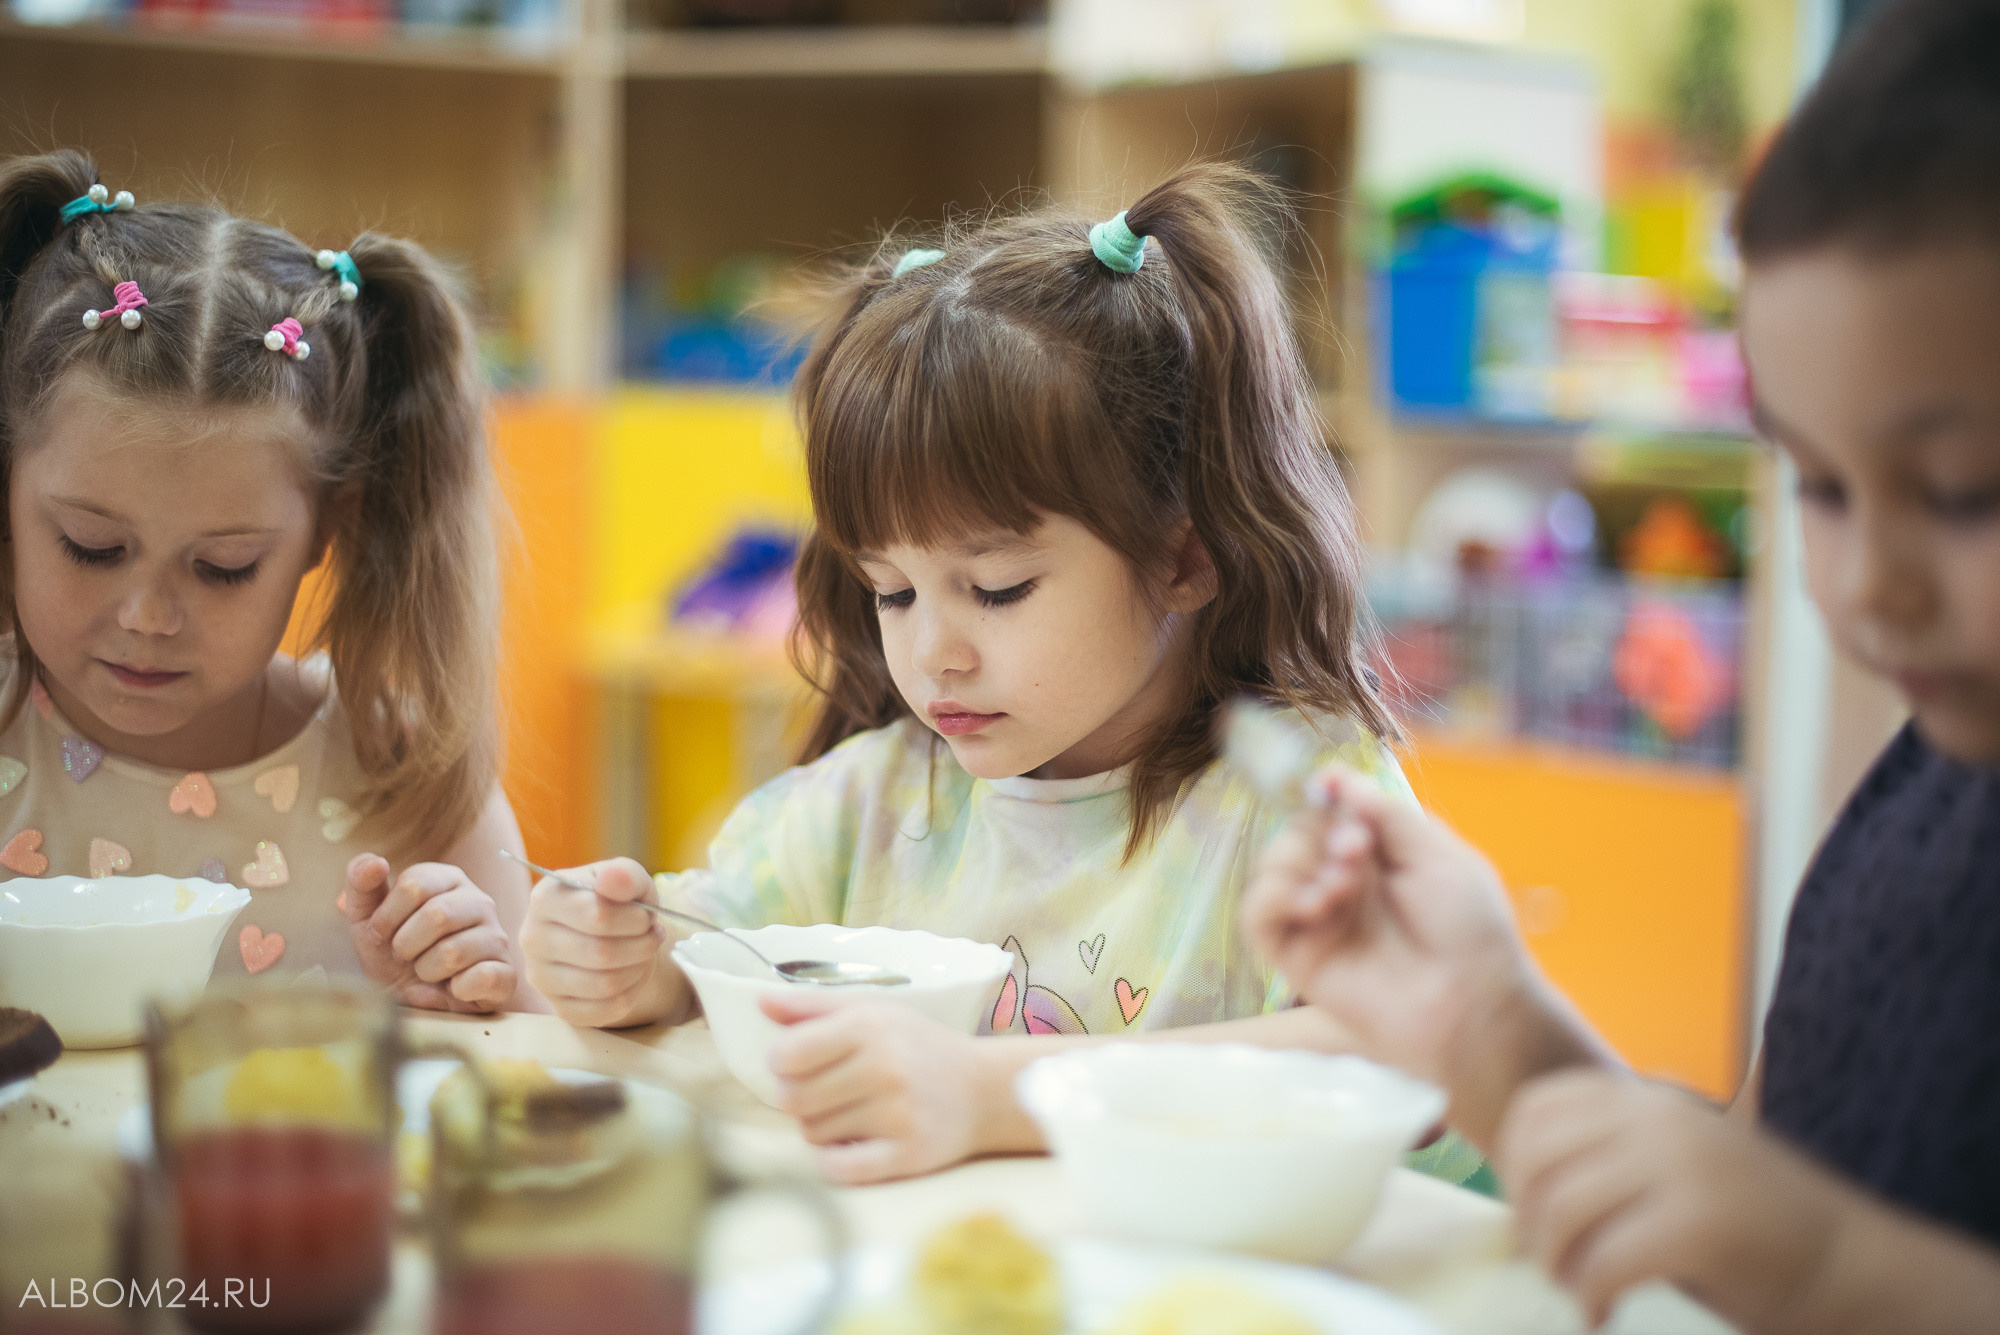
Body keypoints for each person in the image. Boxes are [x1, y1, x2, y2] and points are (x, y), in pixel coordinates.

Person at [1245, 3, 2000, 1328]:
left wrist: (1833, 1270)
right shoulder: (1923, 787)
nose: (1867, 582)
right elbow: (1755, 1192)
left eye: (1961, 493)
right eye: (1819, 484)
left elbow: (1814, 1246)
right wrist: (1489, 1023)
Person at [522, 162, 1433, 1184]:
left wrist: (993, 1094)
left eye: (995, 589)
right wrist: (625, 961)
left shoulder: (1297, 803)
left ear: (1182, 557)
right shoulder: (869, 804)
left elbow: (1414, 1048)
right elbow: (706, 949)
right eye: (892, 592)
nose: (930, 653)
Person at [0, 150, 535, 1011]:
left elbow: (534, 1070)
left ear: (329, 528)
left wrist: (480, 993)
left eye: (225, 567)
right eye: (92, 545)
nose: (146, 616)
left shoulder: (405, 779)